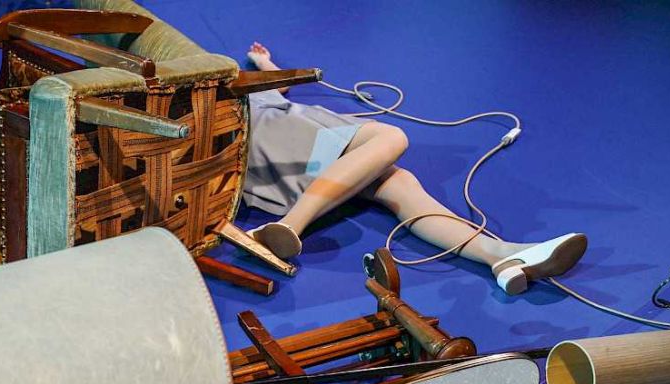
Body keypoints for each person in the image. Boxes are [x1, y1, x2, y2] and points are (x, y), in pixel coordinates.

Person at [242, 42, 587, 295]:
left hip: (303, 150)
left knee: (399, 183)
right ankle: (290, 225)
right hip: (296, 138)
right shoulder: (220, 101)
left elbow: (277, 84)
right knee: (391, 137)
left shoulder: (248, 89)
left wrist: (264, 62)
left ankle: (500, 257)